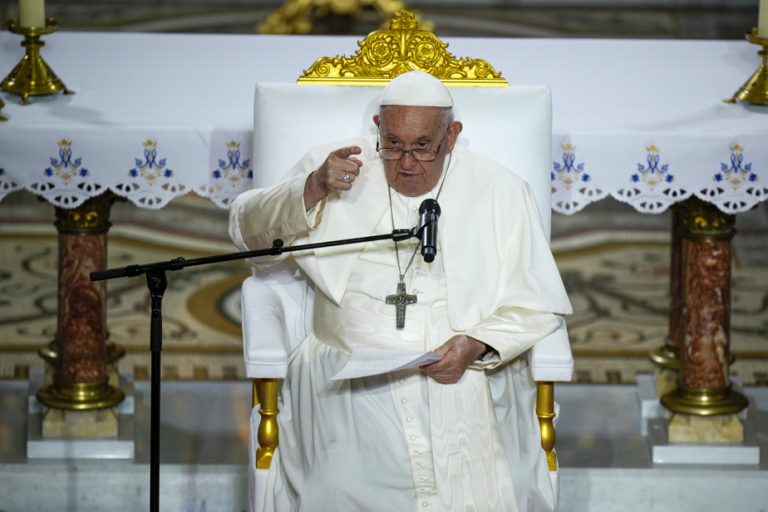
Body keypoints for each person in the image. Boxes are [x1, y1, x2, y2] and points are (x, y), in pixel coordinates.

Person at [229, 70, 572, 512]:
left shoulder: (502, 190)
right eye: (392, 145)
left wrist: (478, 344)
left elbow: (537, 302)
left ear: (451, 138)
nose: (405, 163)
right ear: (377, 130)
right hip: (348, 369)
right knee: (340, 485)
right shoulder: (337, 168)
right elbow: (245, 232)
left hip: (460, 369)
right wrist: (312, 188)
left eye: (422, 147)